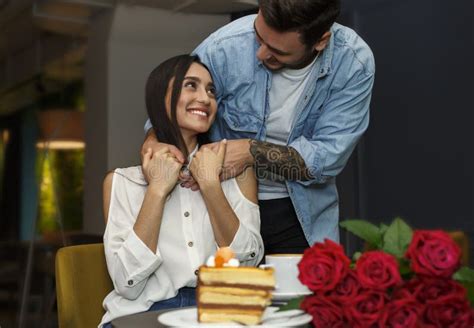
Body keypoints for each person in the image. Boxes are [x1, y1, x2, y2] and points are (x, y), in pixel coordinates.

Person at [143, 0, 375, 255]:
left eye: (277, 51)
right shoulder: (226, 46)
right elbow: (174, 105)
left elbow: (326, 159)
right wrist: (154, 141)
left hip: (301, 216)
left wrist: (251, 152)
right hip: (221, 203)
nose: (260, 54)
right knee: (229, 293)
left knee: (303, 295)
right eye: (259, 37)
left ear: (320, 41)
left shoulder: (354, 63)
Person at [100, 55, 263, 327]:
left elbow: (246, 270)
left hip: (220, 314)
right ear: (160, 97)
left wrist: (211, 186)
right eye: (191, 85)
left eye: (211, 90)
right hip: (142, 315)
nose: (205, 98)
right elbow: (127, 283)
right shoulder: (121, 182)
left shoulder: (239, 174)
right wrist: (157, 190)